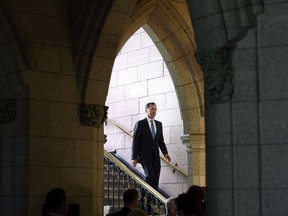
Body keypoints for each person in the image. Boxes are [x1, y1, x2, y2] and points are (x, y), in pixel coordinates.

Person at [131, 102, 171, 213]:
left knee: (155, 182)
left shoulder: (159, 124)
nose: (154, 111)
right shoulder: (140, 124)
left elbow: (161, 141)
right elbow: (135, 142)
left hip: (156, 157)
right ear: (146, 110)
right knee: (150, 176)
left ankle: (148, 208)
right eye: (152, 109)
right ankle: (141, 195)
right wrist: (134, 157)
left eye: (155, 109)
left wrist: (165, 153)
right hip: (144, 157)